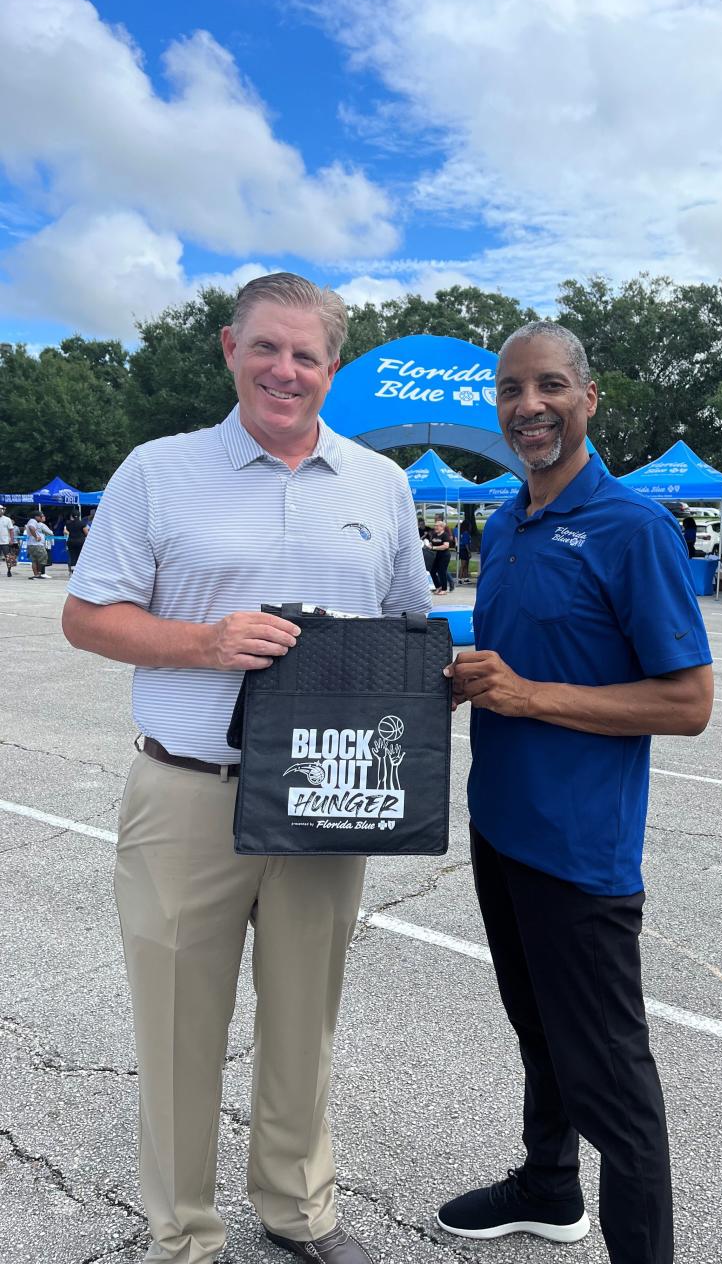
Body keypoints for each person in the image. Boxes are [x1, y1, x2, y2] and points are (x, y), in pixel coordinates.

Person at [62, 272, 432, 1264]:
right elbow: (87, 613)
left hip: (327, 792)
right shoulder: (157, 470)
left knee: (306, 1014)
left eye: (306, 354)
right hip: (189, 788)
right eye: (266, 347)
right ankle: (183, 1234)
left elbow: (409, 625)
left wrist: (455, 680)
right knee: (181, 1023)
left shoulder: (380, 485)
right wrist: (204, 641)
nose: (285, 368)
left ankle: (297, 1205)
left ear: (332, 368)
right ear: (230, 348)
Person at [437, 321, 714, 1264]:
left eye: (549, 385)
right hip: (499, 826)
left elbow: (688, 702)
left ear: (589, 398)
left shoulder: (634, 529)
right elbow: (522, 663)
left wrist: (527, 694)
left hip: (580, 853)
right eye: (511, 390)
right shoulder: (508, 520)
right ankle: (550, 1188)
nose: (529, 406)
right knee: (538, 1031)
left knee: (615, 1088)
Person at [429, 515, 454, 594]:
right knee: (432, 571)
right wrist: (428, 545)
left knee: (442, 571)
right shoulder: (434, 534)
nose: (435, 527)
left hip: (445, 555)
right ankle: (438, 587)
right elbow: (431, 543)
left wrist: (434, 548)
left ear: (442, 527)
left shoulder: (445, 535)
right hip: (437, 555)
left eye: (437, 526)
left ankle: (444, 589)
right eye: (435, 526)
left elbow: (446, 546)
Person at [25, 511, 53, 579]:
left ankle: (36, 574)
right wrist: (36, 537)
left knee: (34, 560)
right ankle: (40, 573)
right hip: (37, 544)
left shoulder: (31, 521)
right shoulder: (33, 521)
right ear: (36, 517)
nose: (43, 517)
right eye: (41, 516)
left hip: (31, 544)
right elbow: (31, 528)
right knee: (43, 558)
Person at [0, 506, 18, 577]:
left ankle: (9, 571)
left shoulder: (7, 519)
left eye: (1, 510)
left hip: (5, 542)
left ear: (3, 511)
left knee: (8, 557)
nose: (0, 511)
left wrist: (12, 539)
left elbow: (11, 530)